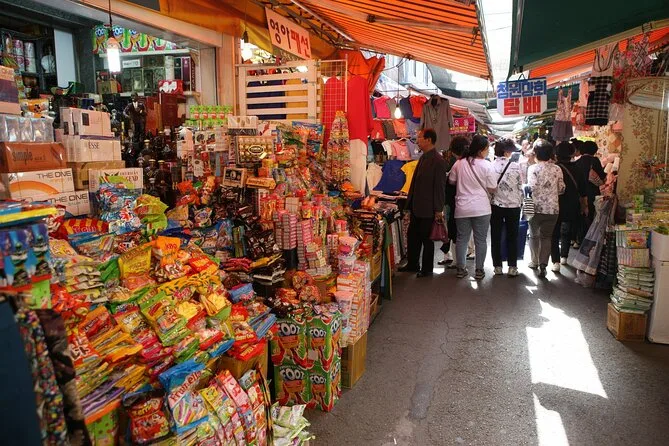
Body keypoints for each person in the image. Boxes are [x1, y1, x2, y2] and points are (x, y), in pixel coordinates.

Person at [449, 134, 497, 280]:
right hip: (482, 208)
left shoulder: (459, 163)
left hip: (462, 208)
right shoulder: (487, 165)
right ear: (481, 150)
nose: (488, 151)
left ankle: (461, 269)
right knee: (480, 240)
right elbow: (492, 188)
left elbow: (451, 181)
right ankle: (479, 270)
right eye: (487, 148)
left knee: (462, 239)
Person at [401, 129, 447, 277]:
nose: (417, 140)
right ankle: (413, 264)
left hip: (428, 207)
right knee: (413, 236)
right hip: (417, 206)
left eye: (420, 137)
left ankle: (427, 269)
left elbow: (439, 187)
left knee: (427, 239)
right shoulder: (423, 157)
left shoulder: (438, 161)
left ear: (428, 140)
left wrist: (438, 209)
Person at [527, 140, 565, 277]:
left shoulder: (533, 169)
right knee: (547, 237)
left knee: (534, 235)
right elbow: (562, 189)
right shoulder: (557, 169)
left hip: (535, 208)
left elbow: (531, 187)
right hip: (552, 209)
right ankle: (543, 265)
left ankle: (534, 261)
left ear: (536, 154)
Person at [551, 142, 588, 273]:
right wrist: (585, 206)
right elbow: (583, 191)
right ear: (572, 153)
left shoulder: (554, 169)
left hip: (556, 204)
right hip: (573, 204)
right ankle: (564, 257)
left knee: (554, 232)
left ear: (556, 154)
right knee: (567, 231)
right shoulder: (578, 169)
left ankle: (555, 261)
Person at [490, 138, 523, 277]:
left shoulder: (491, 166)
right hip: (513, 206)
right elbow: (520, 185)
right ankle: (512, 266)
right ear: (506, 152)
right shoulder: (516, 166)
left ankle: (497, 266)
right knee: (512, 236)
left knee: (496, 236)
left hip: (496, 205)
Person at [439, 136, 469, 267]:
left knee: (456, 232)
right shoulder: (476, 162)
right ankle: (473, 265)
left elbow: (451, 182)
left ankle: (459, 263)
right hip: (475, 205)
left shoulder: (457, 164)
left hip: (456, 203)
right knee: (471, 236)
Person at [575, 140, 606, 232]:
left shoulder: (577, 162)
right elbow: (602, 177)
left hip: (580, 193)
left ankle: (580, 235)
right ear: (594, 150)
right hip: (593, 191)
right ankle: (591, 235)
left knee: (581, 214)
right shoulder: (595, 160)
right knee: (592, 215)